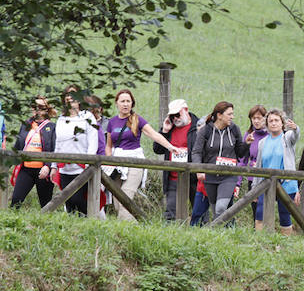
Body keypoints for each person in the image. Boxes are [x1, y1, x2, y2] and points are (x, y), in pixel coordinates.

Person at [105, 89, 184, 221]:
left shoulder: (137, 120)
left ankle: (128, 233)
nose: (125, 104)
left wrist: (170, 147)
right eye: (122, 101)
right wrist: (109, 161)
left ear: (132, 104)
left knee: (125, 200)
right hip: (117, 164)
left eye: (128, 101)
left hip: (135, 162)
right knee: (118, 205)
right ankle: (135, 228)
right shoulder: (112, 122)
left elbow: (154, 134)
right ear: (117, 104)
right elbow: (109, 145)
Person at [192, 101, 250, 221]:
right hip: (210, 176)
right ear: (219, 115)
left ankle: (216, 232)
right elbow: (196, 152)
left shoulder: (234, 129)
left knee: (221, 208)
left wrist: (247, 144)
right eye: (229, 114)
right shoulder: (205, 131)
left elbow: (240, 153)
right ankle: (220, 236)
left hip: (229, 176)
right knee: (215, 210)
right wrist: (199, 170)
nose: (232, 117)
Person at [49, 87, 99, 215]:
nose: (70, 97)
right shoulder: (61, 119)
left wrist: (89, 163)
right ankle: (73, 231)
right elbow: (58, 143)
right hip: (65, 168)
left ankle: (88, 224)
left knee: (79, 200)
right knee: (69, 201)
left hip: (82, 167)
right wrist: (54, 166)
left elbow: (93, 142)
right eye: (67, 94)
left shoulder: (88, 117)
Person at [253, 108, 300, 235]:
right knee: (260, 212)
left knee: (284, 214)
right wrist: (255, 187)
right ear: (267, 124)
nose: (273, 123)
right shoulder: (262, 142)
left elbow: (295, 136)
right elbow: (259, 165)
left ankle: (286, 243)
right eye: (271, 121)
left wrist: (295, 128)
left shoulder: (287, 138)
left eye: (276, 120)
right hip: (266, 182)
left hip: (286, 183)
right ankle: (261, 240)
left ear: (282, 123)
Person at [152, 98, 200, 221]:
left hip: (194, 177)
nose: (175, 119)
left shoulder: (199, 127)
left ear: (186, 110)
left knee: (199, 213)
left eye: (177, 114)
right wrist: (164, 131)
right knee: (171, 214)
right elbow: (157, 149)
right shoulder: (170, 127)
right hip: (173, 177)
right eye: (172, 116)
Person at [11, 97, 57, 209]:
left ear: (46, 110)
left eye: (41, 107)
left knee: (45, 204)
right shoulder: (26, 124)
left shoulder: (51, 127)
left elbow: (54, 149)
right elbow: (18, 145)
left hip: (43, 170)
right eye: (34, 107)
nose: (37, 110)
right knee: (16, 200)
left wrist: (48, 166)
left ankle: (46, 225)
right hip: (26, 168)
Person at [239, 105, 268, 220]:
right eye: (253, 118)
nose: (256, 121)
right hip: (252, 179)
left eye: (259, 118)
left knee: (265, 210)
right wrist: (238, 182)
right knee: (255, 211)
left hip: (268, 178)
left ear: (265, 119)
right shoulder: (249, 135)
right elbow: (242, 160)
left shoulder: (271, 135)